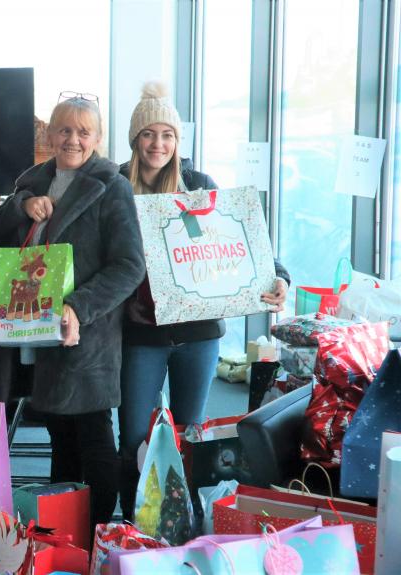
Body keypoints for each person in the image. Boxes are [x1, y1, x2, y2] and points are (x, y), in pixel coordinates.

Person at [117, 82, 291, 521]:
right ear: (135, 139)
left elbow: (240, 241)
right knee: (135, 434)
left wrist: (280, 277)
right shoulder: (117, 186)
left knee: (191, 435)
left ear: (178, 140)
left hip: (197, 335)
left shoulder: (197, 184)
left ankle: (188, 518)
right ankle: (132, 523)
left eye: (167, 135)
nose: (158, 144)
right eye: (149, 134)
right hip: (140, 333)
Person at [0, 93, 146, 528]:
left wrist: (77, 307)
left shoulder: (112, 186)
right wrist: (21, 207)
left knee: (94, 437)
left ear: (97, 138)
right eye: (65, 130)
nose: (73, 139)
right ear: (51, 134)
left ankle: (94, 535)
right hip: (33, 333)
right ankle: (62, 539)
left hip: (85, 335)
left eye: (83, 131)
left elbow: (129, 265)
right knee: (59, 436)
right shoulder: (32, 180)